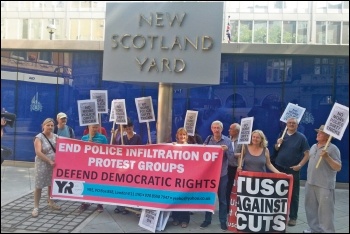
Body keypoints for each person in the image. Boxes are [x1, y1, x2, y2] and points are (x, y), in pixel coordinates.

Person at [303, 125, 342, 233]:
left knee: (325, 213)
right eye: (318, 132)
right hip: (310, 183)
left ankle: (327, 231)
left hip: (324, 185)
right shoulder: (314, 146)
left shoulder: (333, 148)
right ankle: (314, 229)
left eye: (321, 133)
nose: (318, 134)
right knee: (311, 210)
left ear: (328, 136)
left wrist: (327, 157)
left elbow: (338, 167)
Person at [273, 117, 310, 226]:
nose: (291, 124)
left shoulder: (301, 138)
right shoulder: (282, 134)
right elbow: (276, 149)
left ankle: (293, 217)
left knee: (294, 193)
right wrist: (277, 144)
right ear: (286, 124)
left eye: (294, 123)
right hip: (279, 167)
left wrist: (299, 165)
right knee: (278, 192)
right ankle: (278, 214)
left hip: (292, 169)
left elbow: (307, 154)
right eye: (289, 123)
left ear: (297, 125)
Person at [200, 120, 234, 231]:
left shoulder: (228, 141)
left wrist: (227, 150)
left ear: (222, 129)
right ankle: (207, 220)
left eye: (218, 128)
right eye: (214, 127)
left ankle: (223, 221)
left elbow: (232, 159)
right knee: (209, 198)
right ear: (211, 129)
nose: (216, 130)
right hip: (210, 175)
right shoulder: (208, 139)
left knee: (222, 199)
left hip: (222, 174)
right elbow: (202, 156)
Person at [32, 118, 61, 217]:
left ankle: (51, 201)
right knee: (39, 185)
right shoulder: (39, 137)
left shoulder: (56, 136)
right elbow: (38, 152)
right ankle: (36, 207)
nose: (50, 127)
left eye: (52, 125)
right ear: (43, 126)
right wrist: (49, 161)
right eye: (48, 125)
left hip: (53, 164)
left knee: (51, 184)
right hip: (42, 164)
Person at [114, 118, 142, 215]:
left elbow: (140, 151)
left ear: (132, 127)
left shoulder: (137, 137)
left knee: (131, 186)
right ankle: (120, 206)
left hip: (133, 166)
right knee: (122, 186)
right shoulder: (123, 138)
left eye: (130, 128)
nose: (128, 130)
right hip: (124, 166)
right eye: (126, 129)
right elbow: (117, 149)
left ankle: (129, 206)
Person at [79, 123, 108, 213]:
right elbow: (81, 152)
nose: (95, 129)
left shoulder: (103, 138)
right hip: (87, 166)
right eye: (93, 127)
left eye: (96, 127)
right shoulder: (84, 138)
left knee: (98, 184)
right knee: (86, 183)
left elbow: (107, 151)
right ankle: (84, 202)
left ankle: (99, 204)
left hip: (98, 166)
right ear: (89, 127)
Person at [171, 127, 192, 228]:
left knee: (184, 199)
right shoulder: (173, 146)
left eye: (184, 135)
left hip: (186, 178)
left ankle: (185, 220)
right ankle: (176, 218)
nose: (182, 136)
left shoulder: (191, 148)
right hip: (175, 177)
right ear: (177, 136)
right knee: (175, 198)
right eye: (180, 134)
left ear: (186, 136)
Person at [226, 123, 242, 213]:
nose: (229, 130)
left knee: (237, 188)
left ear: (236, 131)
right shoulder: (228, 140)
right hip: (228, 166)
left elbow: (244, 154)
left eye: (231, 129)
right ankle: (228, 208)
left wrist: (236, 155)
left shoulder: (242, 141)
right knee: (228, 188)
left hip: (237, 167)